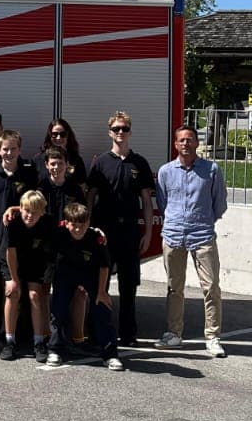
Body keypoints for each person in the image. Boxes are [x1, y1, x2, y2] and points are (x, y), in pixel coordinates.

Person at [156, 126, 228, 358]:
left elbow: (219, 203)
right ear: (175, 145)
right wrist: (177, 221)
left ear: (197, 143)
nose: (185, 144)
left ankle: (213, 337)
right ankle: (174, 334)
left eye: (190, 140)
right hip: (174, 235)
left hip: (203, 236)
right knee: (174, 288)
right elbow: (163, 202)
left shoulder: (211, 170)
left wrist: (205, 221)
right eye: (181, 140)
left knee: (211, 287)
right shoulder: (166, 172)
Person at [86, 112, 156, 348]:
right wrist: (88, 228)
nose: (120, 133)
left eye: (124, 129)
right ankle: (97, 333)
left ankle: (128, 334)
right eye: (116, 129)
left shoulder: (140, 163)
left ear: (130, 132)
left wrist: (147, 233)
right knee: (100, 284)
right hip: (103, 232)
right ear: (109, 132)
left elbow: (146, 201)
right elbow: (90, 197)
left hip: (129, 233)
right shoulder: (100, 163)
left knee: (129, 285)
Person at [0, 128, 39, 348]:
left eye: (13, 149)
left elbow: (33, 204)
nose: (9, 153)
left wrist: (16, 208)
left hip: (17, 239)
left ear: (19, 149)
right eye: (5, 149)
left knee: (10, 283)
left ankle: (7, 329)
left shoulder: (29, 174)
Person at [48, 202, 122, 371]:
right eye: (74, 225)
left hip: (90, 275)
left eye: (83, 225)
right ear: (66, 223)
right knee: (58, 311)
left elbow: (104, 266)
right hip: (65, 274)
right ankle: (54, 350)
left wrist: (102, 292)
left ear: (89, 223)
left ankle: (110, 354)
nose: (78, 229)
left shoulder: (96, 238)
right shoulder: (58, 233)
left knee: (102, 308)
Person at [1, 190, 56, 362]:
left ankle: (38, 342)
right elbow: (10, 253)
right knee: (13, 293)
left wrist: (47, 279)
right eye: (26, 210)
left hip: (34, 263)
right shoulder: (13, 223)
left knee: (34, 296)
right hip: (11, 261)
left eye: (34, 212)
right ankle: (9, 341)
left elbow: (50, 254)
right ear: (21, 209)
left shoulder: (48, 223)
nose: (30, 215)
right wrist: (14, 280)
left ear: (42, 212)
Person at [44, 118, 88, 187]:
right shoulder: (38, 159)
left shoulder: (76, 160)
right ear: (49, 136)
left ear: (68, 136)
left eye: (63, 134)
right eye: (54, 134)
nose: (58, 138)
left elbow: (82, 186)